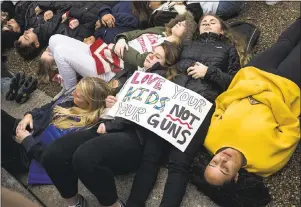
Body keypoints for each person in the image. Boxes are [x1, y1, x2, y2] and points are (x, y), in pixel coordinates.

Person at [123, 14, 242, 207]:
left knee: (179, 163)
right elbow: (168, 64)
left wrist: (209, 72)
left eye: (213, 22)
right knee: (150, 156)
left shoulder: (229, 49)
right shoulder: (186, 45)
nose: (207, 24)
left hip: (199, 105)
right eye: (204, 22)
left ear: (222, 30)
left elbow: (235, 82)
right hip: (171, 97)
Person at [40, 46, 181, 207]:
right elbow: (106, 94)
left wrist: (112, 124)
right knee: (53, 154)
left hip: (133, 136)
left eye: (158, 57)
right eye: (152, 52)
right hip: (105, 123)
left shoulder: (165, 83)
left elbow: (147, 117)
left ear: (167, 65)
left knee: (85, 157)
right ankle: (74, 203)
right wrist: (110, 101)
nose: (151, 56)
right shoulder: (131, 72)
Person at [191, 18, 300, 207]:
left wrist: (246, 89)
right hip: (285, 86)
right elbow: (291, 130)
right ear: (235, 178)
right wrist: (269, 98)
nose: (221, 159)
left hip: (253, 74)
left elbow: (221, 103)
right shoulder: (265, 164)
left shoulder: (210, 140)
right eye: (224, 169)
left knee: (285, 43)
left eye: (214, 163)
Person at [48, 12, 196, 98]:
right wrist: (121, 39)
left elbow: (145, 62)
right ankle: (72, 80)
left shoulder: (173, 51)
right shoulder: (160, 30)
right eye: (180, 21)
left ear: (188, 33)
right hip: (107, 52)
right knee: (54, 40)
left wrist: (121, 49)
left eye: (184, 25)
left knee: (61, 52)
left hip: (114, 70)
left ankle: (69, 91)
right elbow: (132, 34)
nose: (180, 23)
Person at [1, 77, 113, 181]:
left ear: (90, 103)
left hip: (27, 155)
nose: (73, 93)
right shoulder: (71, 100)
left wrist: (26, 140)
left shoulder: (79, 130)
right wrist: (29, 115)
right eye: (75, 89)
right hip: (30, 128)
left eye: (78, 95)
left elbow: (51, 158)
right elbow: (48, 107)